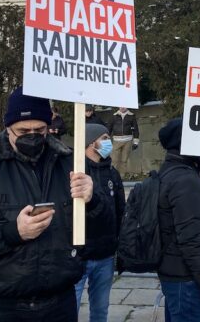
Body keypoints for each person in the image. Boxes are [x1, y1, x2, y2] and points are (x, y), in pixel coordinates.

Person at [0, 87, 108, 322]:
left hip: (59, 303)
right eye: (22, 130)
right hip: (0, 306)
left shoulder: (74, 164)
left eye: (39, 129)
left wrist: (93, 201)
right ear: (8, 128)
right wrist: (12, 232)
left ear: (49, 127)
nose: (32, 135)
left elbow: (105, 233)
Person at [157, 117, 200, 321]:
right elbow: (191, 239)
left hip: (178, 275)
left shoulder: (175, 171)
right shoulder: (185, 179)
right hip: (186, 280)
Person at [75, 123, 125, 322]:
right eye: (104, 138)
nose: (108, 142)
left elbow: (121, 210)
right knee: (70, 309)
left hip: (105, 255)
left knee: (100, 310)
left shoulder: (112, 173)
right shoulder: (77, 173)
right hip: (79, 255)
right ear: (90, 143)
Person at [108, 107, 139, 175]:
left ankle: (121, 177)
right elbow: (109, 128)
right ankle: (113, 176)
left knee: (124, 160)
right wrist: (106, 139)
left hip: (128, 141)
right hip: (116, 140)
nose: (122, 107)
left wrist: (136, 142)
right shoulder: (114, 116)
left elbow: (135, 129)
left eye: (124, 105)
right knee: (114, 160)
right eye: (120, 105)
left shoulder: (131, 116)